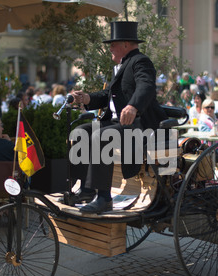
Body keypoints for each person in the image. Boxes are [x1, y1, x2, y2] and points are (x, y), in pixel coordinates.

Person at [70, 21, 168, 214]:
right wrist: (87, 98)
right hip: (118, 123)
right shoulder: (123, 65)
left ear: (125, 44)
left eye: (112, 45)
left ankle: (104, 198)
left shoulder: (140, 61)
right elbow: (110, 96)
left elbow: (146, 87)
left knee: (102, 136)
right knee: (81, 131)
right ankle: (86, 189)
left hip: (140, 125)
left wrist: (133, 105)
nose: (110, 50)